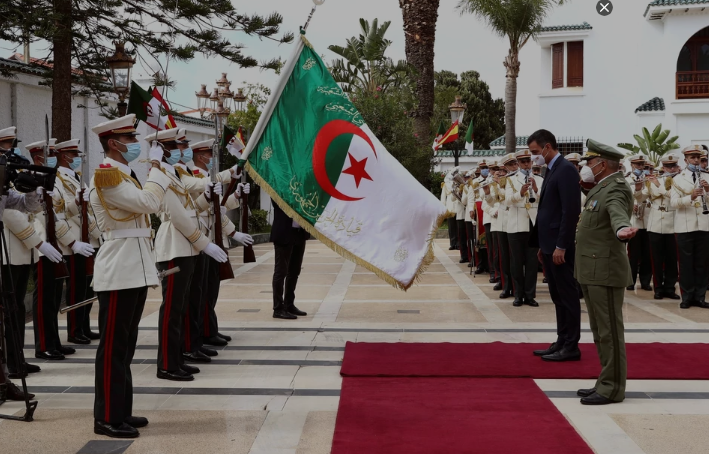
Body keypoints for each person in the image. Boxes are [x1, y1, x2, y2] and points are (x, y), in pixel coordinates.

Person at [88, 113, 171, 438]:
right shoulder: (107, 176)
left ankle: (120, 410)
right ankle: (106, 417)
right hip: (118, 269)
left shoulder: (125, 175)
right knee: (112, 347)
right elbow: (149, 203)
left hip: (134, 268)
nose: (136, 143)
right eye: (131, 138)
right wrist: (157, 170)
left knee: (126, 345)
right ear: (113, 143)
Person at [150, 128, 228, 382]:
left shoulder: (175, 174)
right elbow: (178, 216)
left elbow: (193, 205)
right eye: (174, 147)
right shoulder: (159, 176)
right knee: (172, 310)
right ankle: (167, 364)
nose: (180, 151)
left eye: (180, 146)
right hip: (174, 245)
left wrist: (207, 195)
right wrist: (204, 243)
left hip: (186, 245)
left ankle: (179, 356)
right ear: (161, 150)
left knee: (182, 307)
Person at [575, 139, 637, 405]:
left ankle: (612, 388)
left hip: (605, 269)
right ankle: (605, 380)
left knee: (609, 330)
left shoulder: (616, 188)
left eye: (589, 162)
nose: (586, 166)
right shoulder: (601, 187)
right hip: (593, 268)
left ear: (601, 164)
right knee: (600, 330)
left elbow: (617, 213)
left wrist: (622, 229)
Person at [528, 129, 582, 362]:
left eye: (535, 152)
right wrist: (543, 245)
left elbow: (570, 212)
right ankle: (561, 340)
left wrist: (561, 245)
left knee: (567, 295)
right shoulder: (552, 169)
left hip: (560, 246)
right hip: (549, 244)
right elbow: (547, 209)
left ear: (548, 147)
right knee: (557, 295)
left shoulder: (566, 170)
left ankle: (571, 346)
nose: (533, 157)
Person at [28, 138, 79, 361]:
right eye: (49, 154)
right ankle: (43, 345)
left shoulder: (50, 179)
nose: (53, 158)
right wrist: (46, 242)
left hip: (55, 244)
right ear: (39, 158)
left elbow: (56, 214)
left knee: (54, 298)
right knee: (44, 299)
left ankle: (54, 341)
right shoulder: (32, 181)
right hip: (43, 246)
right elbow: (38, 216)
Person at [55, 139, 99, 345]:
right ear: (65, 156)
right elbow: (62, 211)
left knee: (87, 287)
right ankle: (74, 329)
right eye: (75, 155)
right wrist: (75, 202)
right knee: (76, 287)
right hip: (73, 240)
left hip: (87, 238)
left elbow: (89, 210)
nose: (77, 159)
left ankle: (84, 326)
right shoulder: (56, 180)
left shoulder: (77, 178)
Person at [669, 145, 709, 309]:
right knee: (685, 264)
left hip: (704, 226)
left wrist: (708, 189)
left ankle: (700, 296)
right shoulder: (678, 178)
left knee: (702, 264)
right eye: (692, 157)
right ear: (685, 160)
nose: (696, 160)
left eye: (698, 158)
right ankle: (687, 297)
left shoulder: (707, 176)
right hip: (685, 227)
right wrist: (690, 197)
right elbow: (674, 203)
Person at [504, 150, 543, 307]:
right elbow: (507, 201)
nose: (526, 164)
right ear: (518, 163)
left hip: (532, 224)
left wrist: (536, 190)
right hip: (516, 224)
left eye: (528, 161)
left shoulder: (539, 179)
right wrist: (520, 193)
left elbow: (545, 200)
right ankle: (518, 295)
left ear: (532, 162)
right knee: (517, 262)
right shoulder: (511, 180)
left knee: (532, 262)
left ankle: (530, 295)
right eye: (523, 161)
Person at [645, 155, 680, 300]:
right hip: (655, 222)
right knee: (656, 258)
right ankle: (658, 288)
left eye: (673, 166)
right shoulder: (653, 180)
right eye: (668, 166)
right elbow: (642, 197)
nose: (670, 169)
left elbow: (673, 198)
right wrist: (639, 188)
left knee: (672, 258)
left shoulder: (679, 181)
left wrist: (659, 186)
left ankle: (670, 288)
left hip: (672, 222)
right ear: (663, 167)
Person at [271, 202, 310, 319]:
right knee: (280, 272)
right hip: (284, 233)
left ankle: (289, 304)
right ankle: (278, 308)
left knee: (294, 271)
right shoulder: (279, 186)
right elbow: (279, 203)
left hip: (299, 233)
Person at [484, 164, 512, 298]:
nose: (500, 174)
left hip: (512, 223)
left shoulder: (510, 183)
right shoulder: (491, 184)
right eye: (498, 172)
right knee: (499, 254)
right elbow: (486, 203)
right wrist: (492, 210)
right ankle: (500, 279)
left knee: (513, 256)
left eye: (502, 171)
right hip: (496, 222)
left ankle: (513, 284)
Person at [625, 154, 652, 291]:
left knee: (647, 254)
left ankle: (646, 281)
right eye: (637, 164)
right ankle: (630, 280)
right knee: (633, 254)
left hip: (647, 220)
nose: (640, 167)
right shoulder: (626, 180)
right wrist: (631, 206)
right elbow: (624, 198)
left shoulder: (650, 179)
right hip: (634, 220)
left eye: (642, 164)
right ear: (632, 165)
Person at [441, 170, 458, 250]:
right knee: (451, 227)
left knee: (458, 227)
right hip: (450, 207)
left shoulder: (458, 184)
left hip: (458, 208)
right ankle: (452, 243)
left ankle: (458, 243)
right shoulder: (445, 185)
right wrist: (443, 208)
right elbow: (443, 197)